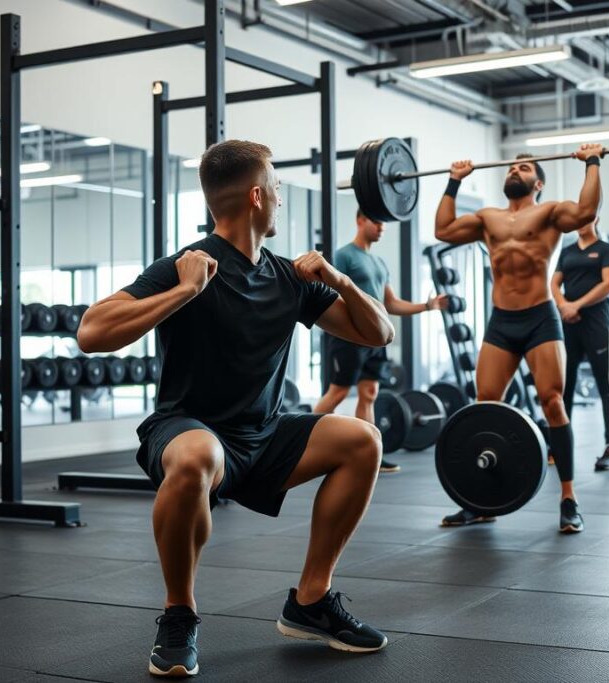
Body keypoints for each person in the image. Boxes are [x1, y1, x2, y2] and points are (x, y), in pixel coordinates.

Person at [78, 140, 395, 678]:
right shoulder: (186, 265)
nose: (278, 199)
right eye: (275, 189)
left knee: (362, 440)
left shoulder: (290, 277)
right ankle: (179, 614)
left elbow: (378, 332)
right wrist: (183, 292)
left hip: (264, 434)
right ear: (256, 197)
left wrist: (339, 280)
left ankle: (311, 602)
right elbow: (91, 332)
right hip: (188, 429)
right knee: (196, 455)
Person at [433, 144, 603, 534]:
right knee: (484, 406)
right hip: (501, 322)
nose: (515, 169)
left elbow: (586, 212)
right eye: (512, 166)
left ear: (537, 182)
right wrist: (454, 182)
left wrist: (592, 162)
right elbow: (442, 230)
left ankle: (568, 498)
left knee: (553, 402)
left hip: (540, 318)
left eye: (523, 167)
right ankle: (479, 503)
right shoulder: (487, 218)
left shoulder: (550, 212)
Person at [312, 209, 448, 473]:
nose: (381, 227)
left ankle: (370, 453)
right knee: (337, 392)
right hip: (348, 338)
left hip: (374, 339)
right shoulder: (344, 255)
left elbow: (390, 303)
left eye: (384, 224)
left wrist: (427, 306)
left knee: (370, 395)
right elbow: (329, 292)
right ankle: (304, 447)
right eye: (376, 221)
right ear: (360, 220)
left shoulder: (379, 263)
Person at [551, 217, 609, 471]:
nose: (580, 222)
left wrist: (575, 305)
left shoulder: (606, 250)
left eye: (586, 218)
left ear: (596, 219)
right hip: (569, 325)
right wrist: (562, 306)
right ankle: (559, 446)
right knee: (563, 387)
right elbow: (554, 283)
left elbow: (608, 284)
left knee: (607, 386)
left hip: (597, 325)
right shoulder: (567, 251)